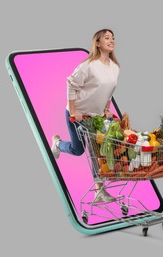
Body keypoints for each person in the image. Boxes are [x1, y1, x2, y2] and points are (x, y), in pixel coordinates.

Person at [51, 28, 120, 203]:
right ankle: (58, 143)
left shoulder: (115, 67)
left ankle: (99, 191)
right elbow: (71, 84)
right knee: (78, 150)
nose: (111, 41)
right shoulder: (88, 65)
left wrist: (106, 109)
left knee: (96, 152)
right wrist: (74, 111)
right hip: (78, 115)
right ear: (97, 43)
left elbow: (109, 91)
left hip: (96, 117)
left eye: (113, 38)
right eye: (107, 38)